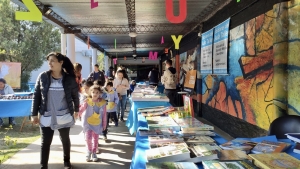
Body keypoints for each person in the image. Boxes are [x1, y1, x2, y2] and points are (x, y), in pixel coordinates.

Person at [31, 52, 79, 169]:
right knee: (45, 142)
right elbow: (36, 95)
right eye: (49, 61)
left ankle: (67, 162)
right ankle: (43, 166)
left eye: (52, 60)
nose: (50, 63)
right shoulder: (43, 77)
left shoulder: (69, 79)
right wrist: (34, 114)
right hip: (47, 114)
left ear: (61, 62)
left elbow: (75, 96)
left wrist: (76, 110)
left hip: (63, 114)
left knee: (65, 139)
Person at [78, 85, 107, 162]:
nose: (95, 94)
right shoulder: (87, 101)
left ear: (100, 93)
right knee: (88, 138)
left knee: (95, 139)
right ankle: (89, 151)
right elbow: (81, 109)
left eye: (97, 92)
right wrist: (77, 113)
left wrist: (104, 124)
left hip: (97, 124)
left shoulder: (102, 103)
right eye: (93, 92)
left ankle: (94, 152)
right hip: (88, 124)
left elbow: (104, 114)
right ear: (90, 93)